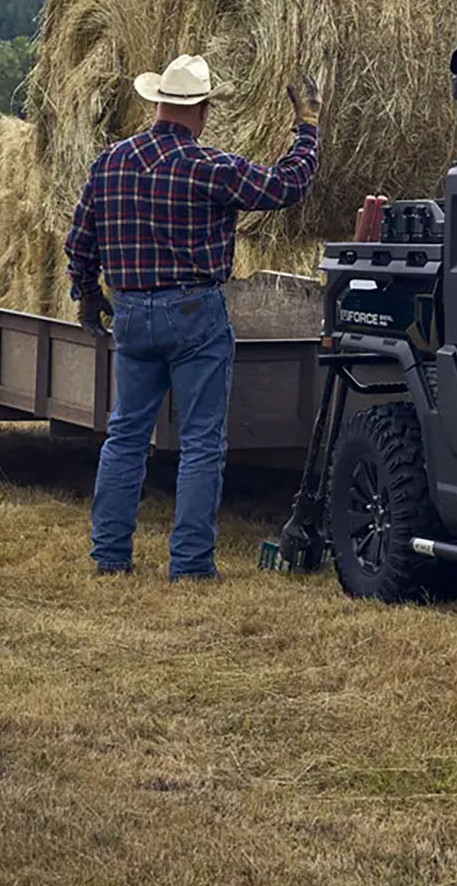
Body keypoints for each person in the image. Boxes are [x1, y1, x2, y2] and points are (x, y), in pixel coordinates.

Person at [66, 53, 323, 580]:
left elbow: (81, 242)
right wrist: (308, 129)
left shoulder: (110, 162)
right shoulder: (210, 167)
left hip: (133, 312)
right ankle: (190, 565)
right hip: (194, 312)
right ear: (202, 109)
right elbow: (286, 187)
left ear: (158, 102)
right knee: (202, 441)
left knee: (126, 436)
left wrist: (87, 295)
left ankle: (110, 558)